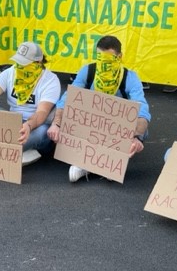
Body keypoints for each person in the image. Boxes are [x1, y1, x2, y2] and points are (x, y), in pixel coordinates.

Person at [47, 36, 151, 183]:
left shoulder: (130, 78)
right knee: (60, 115)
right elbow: (68, 98)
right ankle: (99, 163)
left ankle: (92, 163)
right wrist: (56, 124)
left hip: (115, 129)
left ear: (119, 57)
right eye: (100, 57)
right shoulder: (88, 71)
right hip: (89, 125)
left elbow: (142, 110)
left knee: (143, 129)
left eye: (108, 58)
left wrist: (137, 137)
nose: (104, 63)